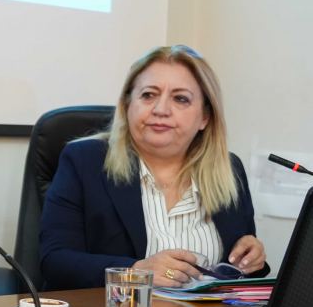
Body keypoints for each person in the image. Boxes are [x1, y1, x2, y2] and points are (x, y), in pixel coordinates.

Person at [39, 45, 268, 289]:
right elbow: (55, 261)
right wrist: (135, 272)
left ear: (205, 117)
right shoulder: (85, 161)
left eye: (180, 99)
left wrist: (251, 260)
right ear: (127, 106)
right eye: (148, 95)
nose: (160, 110)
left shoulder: (229, 170)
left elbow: (238, 274)